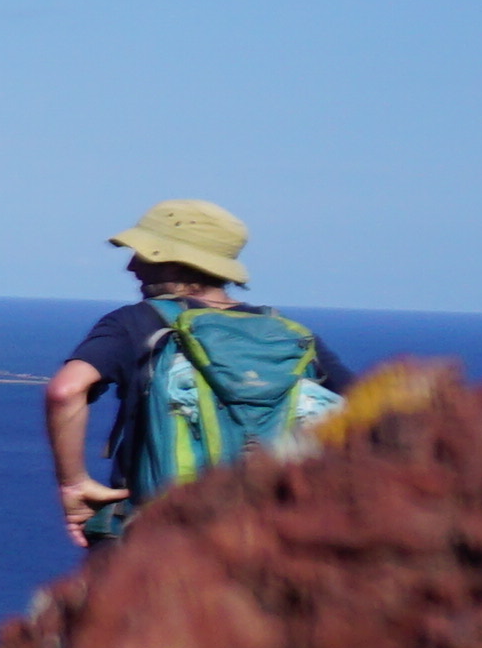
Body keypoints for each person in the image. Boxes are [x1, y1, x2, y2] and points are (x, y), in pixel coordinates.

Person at [43, 200, 353, 547]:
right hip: (264, 541)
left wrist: (73, 484)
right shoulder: (287, 334)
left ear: (174, 261)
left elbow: (65, 391)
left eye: (143, 255)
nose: (132, 267)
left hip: (158, 543)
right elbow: (365, 409)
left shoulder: (135, 322)